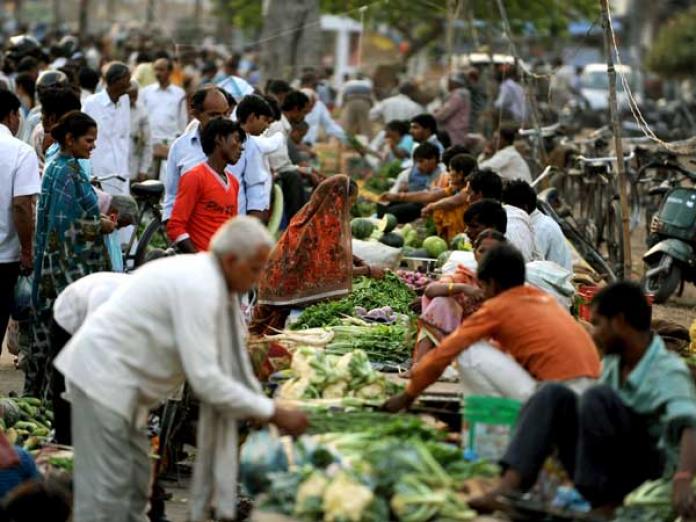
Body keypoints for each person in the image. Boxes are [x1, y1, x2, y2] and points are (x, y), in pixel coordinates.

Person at [54, 217, 309, 522]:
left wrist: (263, 405)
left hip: (124, 387)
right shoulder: (201, 286)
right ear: (231, 260)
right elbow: (207, 379)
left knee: (135, 484)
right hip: (102, 382)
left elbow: (235, 362)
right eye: (255, 269)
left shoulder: (215, 284)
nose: (257, 280)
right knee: (106, 493)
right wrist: (273, 411)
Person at [471, 282, 696, 519]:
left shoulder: (666, 370)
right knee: (552, 394)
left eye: (598, 323)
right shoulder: (614, 362)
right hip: (606, 470)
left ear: (619, 322)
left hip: (644, 476)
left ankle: (606, 505)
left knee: (596, 396)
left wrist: (682, 480)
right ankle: (508, 488)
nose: (593, 332)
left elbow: (691, 425)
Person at [384, 244, 600, 408]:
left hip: (556, 397)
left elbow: (446, 352)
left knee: (469, 352)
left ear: (492, 284)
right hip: (589, 393)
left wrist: (408, 396)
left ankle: (493, 418)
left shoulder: (498, 307)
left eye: (483, 286)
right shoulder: (541, 298)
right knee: (489, 350)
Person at [27, 112, 114, 398]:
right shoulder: (66, 172)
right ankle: (56, 401)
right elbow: (63, 228)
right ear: (70, 139)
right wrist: (99, 226)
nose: (93, 146)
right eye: (89, 140)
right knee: (66, 336)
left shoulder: (62, 166)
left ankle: (45, 397)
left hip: (52, 265)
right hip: (64, 271)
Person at [251, 175, 383, 334]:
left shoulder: (318, 214)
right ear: (338, 200)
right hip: (281, 290)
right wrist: (368, 271)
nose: (350, 207)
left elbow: (333, 249)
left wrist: (357, 260)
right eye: (350, 202)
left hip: (277, 286)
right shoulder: (318, 225)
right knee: (265, 335)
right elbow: (328, 271)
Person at [50, 272, 130, 444]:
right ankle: (64, 439)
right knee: (66, 382)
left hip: (104, 327)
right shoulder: (105, 300)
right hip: (68, 318)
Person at [413, 229, 505, 362]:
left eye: (493, 252)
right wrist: (463, 288)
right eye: (482, 251)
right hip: (455, 338)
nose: (486, 257)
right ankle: (419, 363)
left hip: (488, 343)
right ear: (474, 253)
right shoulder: (465, 277)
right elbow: (431, 290)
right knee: (441, 302)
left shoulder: (508, 283)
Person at [0, 90, 40, 352]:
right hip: (5, 256)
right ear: (12, 116)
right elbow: (22, 206)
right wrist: (27, 250)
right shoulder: (21, 152)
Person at [167, 118, 245, 253]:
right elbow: (175, 226)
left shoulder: (233, 182)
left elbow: (231, 228)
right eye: (237, 140)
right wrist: (198, 259)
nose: (241, 147)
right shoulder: (194, 177)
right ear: (219, 139)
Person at [163, 86, 230, 221]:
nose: (222, 120)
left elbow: (254, 195)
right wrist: (171, 224)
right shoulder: (180, 147)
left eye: (226, 114)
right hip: (190, 227)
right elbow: (172, 195)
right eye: (214, 115)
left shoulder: (240, 146)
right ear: (196, 114)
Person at [266, 90, 318, 221]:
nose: (304, 117)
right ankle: (296, 220)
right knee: (293, 177)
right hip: (271, 172)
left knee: (300, 174)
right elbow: (279, 165)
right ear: (295, 109)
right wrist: (306, 171)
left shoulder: (284, 127)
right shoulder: (278, 126)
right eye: (304, 112)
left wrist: (307, 170)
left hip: (276, 170)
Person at [82, 62, 132, 197]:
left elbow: (125, 136)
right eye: (127, 79)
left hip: (121, 171)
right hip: (100, 171)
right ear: (117, 81)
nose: (129, 84)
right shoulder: (92, 103)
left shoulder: (125, 101)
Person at [229, 94, 282, 220]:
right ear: (252, 117)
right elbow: (274, 143)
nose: (267, 126)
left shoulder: (231, 138)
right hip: (240, 214)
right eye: (265, 120)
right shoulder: (252, 143)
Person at [503, 179, 572, 270]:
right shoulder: (536, 223)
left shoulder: (541, 228)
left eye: (511, 209)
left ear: (524, 207)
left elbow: (529, 264)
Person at [140, 57, 188, 180]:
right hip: (150, 143)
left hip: (169, 143)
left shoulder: (179, 93)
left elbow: (182, 121)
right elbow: (142, 118)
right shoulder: (146, 92)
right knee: (148, 182)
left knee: (166, 180)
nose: (158, 73)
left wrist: (178, 144)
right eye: (156, 69)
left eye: (161, 70)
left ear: (170, 71)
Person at [380, 142, 442, 223]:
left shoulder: (440, 174)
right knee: (383, 205)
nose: (418, 166)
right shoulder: (418, 172)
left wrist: (401, 196)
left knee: (394, 212)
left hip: (424, 205)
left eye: (421, 161)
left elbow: (427, 196)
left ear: (433, 159)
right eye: (417, 162)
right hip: (414, 200)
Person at [127, 81, 154, 182]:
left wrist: (143, 169)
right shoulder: (115, 109)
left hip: (134, 167)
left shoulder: (142, 112)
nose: (132, 100)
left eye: (135, 96)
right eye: (130, 96)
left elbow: (147, 143)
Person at [434, 74, 471, 147]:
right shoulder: (463, 95)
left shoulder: (457, 96)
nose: (448, 85)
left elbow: (443, 115)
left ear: (455, 83)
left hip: (453, 132)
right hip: (459, 131)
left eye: (449, 82)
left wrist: (435, 115)